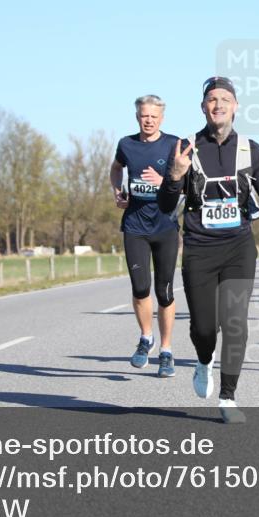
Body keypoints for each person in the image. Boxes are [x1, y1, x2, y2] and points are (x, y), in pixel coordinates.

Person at [157, 77, 259, 423]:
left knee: (234, 323)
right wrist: (174, 176)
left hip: (238, 247)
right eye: (212, 99)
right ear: (203, 107)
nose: (218, 104)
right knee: (203, 328)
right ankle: (203, 363)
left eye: (225, 99)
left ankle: (228, 396)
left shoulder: (251, 150)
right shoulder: (185, 147)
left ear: (236, 106)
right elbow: (165, 204)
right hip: (199, 248)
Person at [109, 95, 180, 377]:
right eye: (143, 115)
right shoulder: (127, 144)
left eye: (153, 116)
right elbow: (116, 169)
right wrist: (117, 191)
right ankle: (145, 337)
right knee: (140, 289)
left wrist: (165, 183)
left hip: (165, 227)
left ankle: (166, 350)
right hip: (135, 226)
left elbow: (188, 183)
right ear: (137, 116)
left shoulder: (174, 144)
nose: (148, 120)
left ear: (162, 117)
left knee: (164, 292)